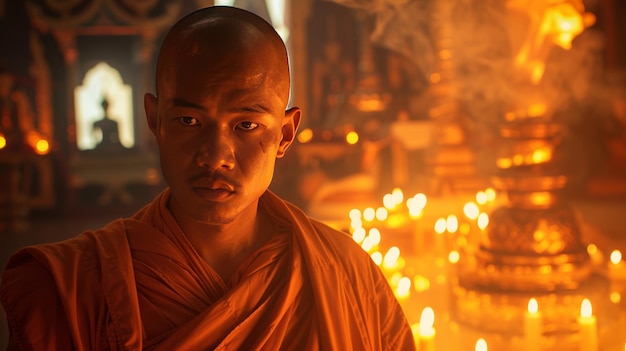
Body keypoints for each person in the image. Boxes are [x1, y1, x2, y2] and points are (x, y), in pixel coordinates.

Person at [0, 6, 415, 350]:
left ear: (284, 134)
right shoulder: (72, 287)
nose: (215, 156)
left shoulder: (348, 274)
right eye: (189, 120)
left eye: (247, 125)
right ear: (154, 120)